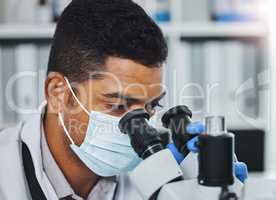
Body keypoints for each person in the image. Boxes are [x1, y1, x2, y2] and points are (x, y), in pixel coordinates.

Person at [0, 0, 247, 199]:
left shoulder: (160, 181)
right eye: (118, 105)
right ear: (58, 93)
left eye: (152, 106)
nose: (139, 128)